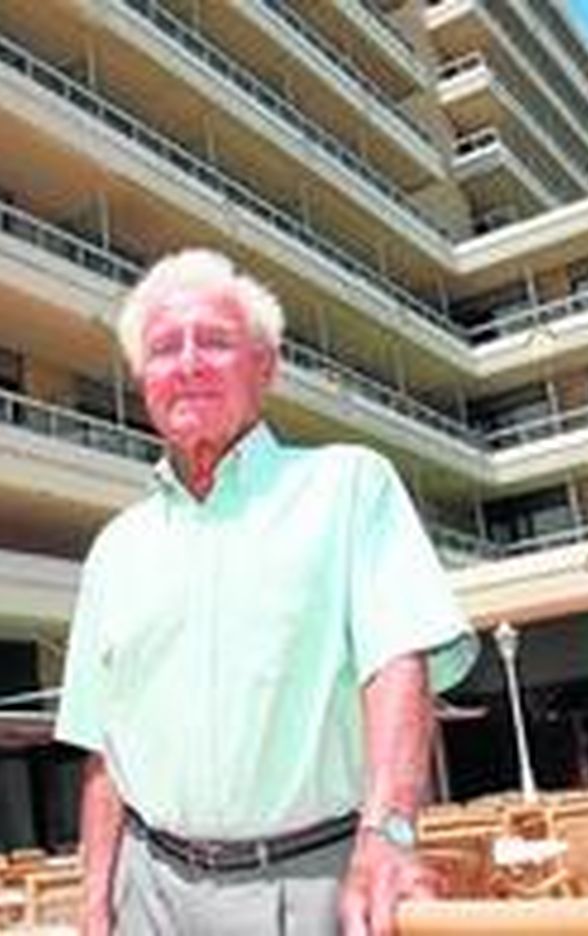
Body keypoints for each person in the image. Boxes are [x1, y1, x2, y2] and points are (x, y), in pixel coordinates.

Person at [55, 248, 478, 935]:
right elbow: (106, 750)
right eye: (163, 349)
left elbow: (400, 667)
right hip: (148, 896)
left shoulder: (349, 486)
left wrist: (392, 835)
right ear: (143, 382)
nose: (188, 363)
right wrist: (94, 903)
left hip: (313, 885)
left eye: (215, 341)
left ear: (266, 367)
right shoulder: (114, 550)